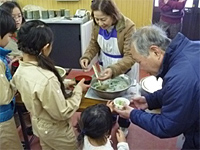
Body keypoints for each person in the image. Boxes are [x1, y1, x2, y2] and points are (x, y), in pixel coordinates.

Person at [114, 25, 200, 149]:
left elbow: (167, 126)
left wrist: (132, 114)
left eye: (139, 62)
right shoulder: (189, 49)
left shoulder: (180, 76)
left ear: (156, 52)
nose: (142, 68)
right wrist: (149, 100)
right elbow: (177, 93)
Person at [11, 20, 90, 150]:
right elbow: (63, 112)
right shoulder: (47, 79)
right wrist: (78, 91)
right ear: (45, 47)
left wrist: (63, 83)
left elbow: (37, 87)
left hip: (40, 125)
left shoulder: (20, 70)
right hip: (56, 131)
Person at [80, 0, 139, 137]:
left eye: (103, 19)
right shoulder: (96, 25)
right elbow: (94, 44)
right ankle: (109, 119)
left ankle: (124, 125)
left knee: (124, 99)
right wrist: (87, 57)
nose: (100, 23)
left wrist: (113, 70)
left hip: (124, 66)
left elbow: (131, 56)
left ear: (113, 15)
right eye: (97, 19)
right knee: (107, 95)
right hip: (105, 63)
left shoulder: (128, 26)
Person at [0, 8, 23, 150]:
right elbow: (4, 97)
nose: (10, 39)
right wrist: (16, 82)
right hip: (2, 120)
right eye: (9, 35)